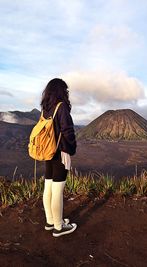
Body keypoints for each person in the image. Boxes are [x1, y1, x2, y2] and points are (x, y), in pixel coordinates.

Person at [41, 78, 77, 237]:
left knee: (48, 187)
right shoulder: (61, 107)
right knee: (57, 191)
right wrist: (71, 149)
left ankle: (50, 221)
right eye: (66, 90)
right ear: (61, 91)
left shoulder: (45, 109)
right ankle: (59, 227)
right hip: (60, 153)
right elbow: (67, 131)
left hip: (48, 153)